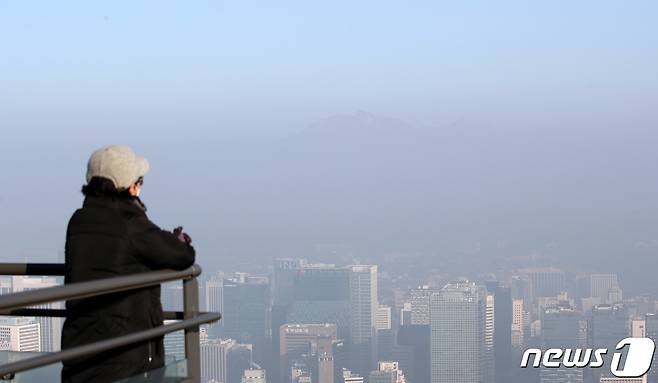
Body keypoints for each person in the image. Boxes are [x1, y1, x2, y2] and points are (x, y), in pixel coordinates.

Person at [61, 145, 195, 383]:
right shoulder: (130, 222)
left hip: (80, 350)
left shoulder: (78, 221)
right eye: (139, 181)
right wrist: (179, 241)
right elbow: (181, 256)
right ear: (131, 187)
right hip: (125, 356)